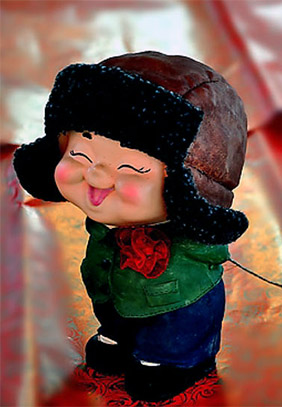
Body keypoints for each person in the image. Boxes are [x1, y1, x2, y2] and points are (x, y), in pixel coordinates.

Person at [13, 51, 248, 401]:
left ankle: (174, 361)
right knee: (114, 308)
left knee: (178, 328)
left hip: (175, 303)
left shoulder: (189, 232)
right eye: (79, 155)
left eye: (133, 169)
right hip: (115, 290)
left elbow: (209, 254)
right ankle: (117, 336)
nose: (96, 176)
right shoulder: (106, 222)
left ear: (187, 186)